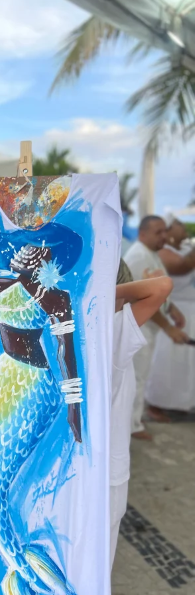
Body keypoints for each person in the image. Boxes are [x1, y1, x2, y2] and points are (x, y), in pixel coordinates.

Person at [110, 261, 172, 566]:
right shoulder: (111, 332)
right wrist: (104, 290)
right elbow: (161, 287)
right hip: (107, 471)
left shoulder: (100, 330)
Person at [124, 215, 188, 439]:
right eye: (158, 232)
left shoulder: (151, 254)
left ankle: (134, 420)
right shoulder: (138, 256)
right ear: (142, 234)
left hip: (147, 326)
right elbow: (141, 299)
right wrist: (169, 328)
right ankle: (131, 426)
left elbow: (158, 289)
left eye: (164, 231)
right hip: (139, 326)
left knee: (141, 375)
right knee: (136, 378)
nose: (164, 236)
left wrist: (172, 309)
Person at [145, 216, 195, 414]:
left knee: (187, 363)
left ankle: (183, 403)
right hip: (176, 311)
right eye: (178, 224)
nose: (183, 227)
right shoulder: (164, 252)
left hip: (190, 310)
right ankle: (157, 404)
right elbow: (182, 267)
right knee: (170, 361)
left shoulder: (185, 248)